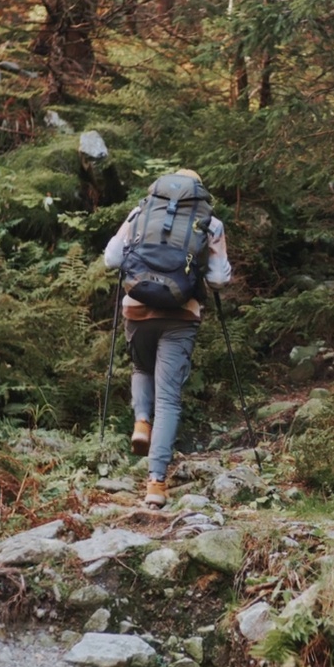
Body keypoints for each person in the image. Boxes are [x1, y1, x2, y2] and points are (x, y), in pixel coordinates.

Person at [103, 169, 232, 507]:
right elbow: (218, 280)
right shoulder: (210, 222)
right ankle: (156, 483)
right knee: (170, 399)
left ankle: (141, 422)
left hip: (137, 307)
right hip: (181, 314)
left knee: (141, 369)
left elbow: (112, 259)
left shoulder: (141, 212)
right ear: (199, 192)